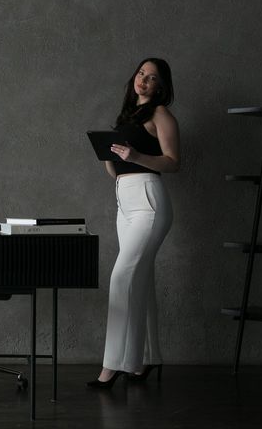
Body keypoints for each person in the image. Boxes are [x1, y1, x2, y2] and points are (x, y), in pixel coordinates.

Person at [87, 58, 180, 388]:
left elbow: (172, 162)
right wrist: (110, 160)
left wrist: (134, 157)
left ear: (160, 87)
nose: (144, 80)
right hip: (123, 201)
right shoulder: (127, 118)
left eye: (152, 78)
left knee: (121, 279)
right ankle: (144, 361)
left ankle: (110, 367)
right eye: (141, 73)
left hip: (148, 203)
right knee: (139, 282)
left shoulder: (161, 115)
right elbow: (118, 168)